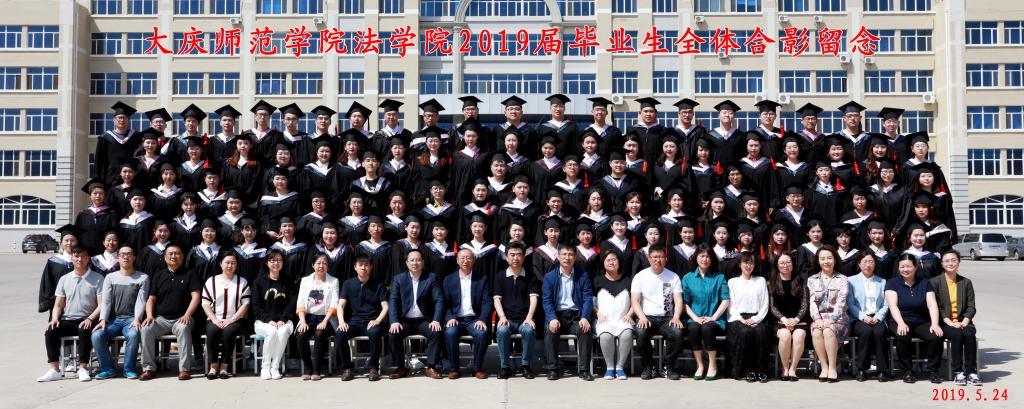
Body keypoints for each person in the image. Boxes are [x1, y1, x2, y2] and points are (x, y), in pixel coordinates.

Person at [38, 246, 102, 383]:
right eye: (76, 256)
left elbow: (101, 305)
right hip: (68, 319)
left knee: (84, 330)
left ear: (88, 259)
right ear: (72, 258)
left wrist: (90, 318)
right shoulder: (64, 279)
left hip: (88, 319)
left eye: (83, 256)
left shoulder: (98, 278)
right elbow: (58, 305)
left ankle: (83, 368)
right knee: (51, 330)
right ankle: (55, 370)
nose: (80, 259)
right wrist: (54, 318)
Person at [139, 244, 201, 381]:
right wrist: (149, 315)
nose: (174, 256)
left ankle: (184, 369)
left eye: (177, 253)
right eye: (170, 253)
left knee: (183, 328)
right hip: (161, 319)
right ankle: (148, 368)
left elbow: (196, 296)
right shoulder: (159, 275)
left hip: (182, 318)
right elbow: (151, 299)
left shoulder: (190, 273)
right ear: (165, 257)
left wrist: (187, 314)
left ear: (182, 257)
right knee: (146, 328)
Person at [90, 245, 149, 380]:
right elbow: (106, 301)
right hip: (114, 320)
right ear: (118, 258)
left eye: (129, 254)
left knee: (133, 335)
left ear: (134, 257)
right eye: (122, 254)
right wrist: (103, 319)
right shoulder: (110, 277)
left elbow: (141, 301)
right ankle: (108, 369)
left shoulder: (143, 278)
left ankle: (129, 369)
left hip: (132, 319)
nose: (125, 257)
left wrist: (137, 318)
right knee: (97, 335)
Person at [885, 254, 944, 384]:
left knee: (936, 335)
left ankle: (933, 370)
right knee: (903, 335)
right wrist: (901, 323)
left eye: (908, 266)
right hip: (899, 320)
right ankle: (907, 371)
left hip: (920, 320)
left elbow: (932, 304)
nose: (905, 269)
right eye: (902, 267)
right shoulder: (892, 283)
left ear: (915, 267)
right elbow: (893, 305)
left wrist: (935, 324)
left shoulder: (925, 282)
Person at [387, 249, 445, 379]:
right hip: (405, 320)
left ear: (423, 262)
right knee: (393, 334)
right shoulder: (399, 279)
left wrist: (436, 320)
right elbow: (394, 301)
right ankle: (400, 367)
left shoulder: (431, 277)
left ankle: (431, 367)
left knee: (436, 332)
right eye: (412, 260)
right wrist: (394, 321)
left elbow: (439, 300)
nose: (415, 263)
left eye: (418, 260)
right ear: (407, 263)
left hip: (424, 319)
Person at [540, 244, 594, 381]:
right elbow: (547, 301)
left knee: (585, 330)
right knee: (551, 330)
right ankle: (552, 368)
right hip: (558, 316)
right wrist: (552, 318)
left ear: (575, 258)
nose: (567, 258)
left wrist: (585, 317)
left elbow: (588, 298)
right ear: (558, 257)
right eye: (564, 254)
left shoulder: (583, 276)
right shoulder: (550, 277)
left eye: (570, 255)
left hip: (576, 316)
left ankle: (584, 369)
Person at [440, 249, 492, 379]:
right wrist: (449, 317)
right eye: (462, 258)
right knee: (450, 332)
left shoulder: (482, 279)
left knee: (481, 333)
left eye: (468, 258)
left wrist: (482, 319)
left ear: (473, 260)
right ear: (457, 261)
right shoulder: (448, 279)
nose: (465, 261)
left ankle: (477, 368)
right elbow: (444, 303)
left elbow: (487, 302)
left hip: (474, 319)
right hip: (456, 319)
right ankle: (454, 368)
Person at [336, 254, 390, 381]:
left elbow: (385, 306)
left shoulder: (379, 284)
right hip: (354, 322)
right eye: (360, 265)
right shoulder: (348, 284)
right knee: (340, 333)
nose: (363, 267)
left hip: (372, 321)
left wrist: (377, 320)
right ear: (355, 267)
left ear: (371, 267)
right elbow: (340, 305)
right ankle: (347, 368)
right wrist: (342, 322)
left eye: (366, 265)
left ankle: (373, 368)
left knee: (375, 332)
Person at [931, 250, 980, 386]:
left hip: (964, 321)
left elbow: (971, 306)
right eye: (947, 261)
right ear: (941, 263)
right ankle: (958, 372)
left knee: (969, 334)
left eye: (954, 260)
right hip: (945, 322)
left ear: (958, 262)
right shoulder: (935, 282)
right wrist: (950, 323)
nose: (950, 263)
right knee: (956, 335)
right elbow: (937, 306)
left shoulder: (966, 282)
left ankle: (971, 372)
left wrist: (964, 321)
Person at [200, 250, 251, 380]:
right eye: (227, 262)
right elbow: (205, 303)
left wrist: (232, 319)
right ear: (220, 264)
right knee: (212, 332)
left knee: (229, 333)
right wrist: (214, 319)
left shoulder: (242, 282)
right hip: (214, 319)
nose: (230, 265)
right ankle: (213, 366)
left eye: (233, 263)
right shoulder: (211, 281)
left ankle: (224, 366)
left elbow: (245, 304)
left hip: (236, 320)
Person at [493, 242, 540, 379]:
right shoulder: (500, 276)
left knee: (529, 331)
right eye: (512, 255)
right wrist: (502, 317)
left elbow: (534, 298)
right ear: (506, 257)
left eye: (519, 255)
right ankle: (505, 367)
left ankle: (526, 366)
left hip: (524, 319)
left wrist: (529, 317)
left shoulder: (531, 276)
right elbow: (497, 299)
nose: (515, 258)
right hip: (507, 319)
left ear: (524, 257)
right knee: (502, 331)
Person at [682, 246, 730, 381]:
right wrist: (695, 318)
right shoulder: (688, 278)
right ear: (696, 258)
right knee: (693, 328)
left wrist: (713, 317)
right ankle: (700, 365)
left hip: (715, 319)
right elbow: (684, 303)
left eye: (707, 256)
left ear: (712, 259)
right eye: (701, 256)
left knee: (707, 328)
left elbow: (725, 299)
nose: (704, 259)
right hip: (694, 318)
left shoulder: (719, 277)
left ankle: (713, 365)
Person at [807, 246, 850, 383]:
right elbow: (812, 302)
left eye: (829, 258)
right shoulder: (812, 279)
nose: (826, 261)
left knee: (828, 330)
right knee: (816, 331)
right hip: (819, 319)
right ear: (818, 261)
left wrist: (832, 319)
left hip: (839, 319)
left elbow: (841, 302)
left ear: (835, 260)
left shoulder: (842, 279)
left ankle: (832, 367)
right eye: (823, 259)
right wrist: (817, 319)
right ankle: (824, 366)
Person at [848, 252, 892, 382]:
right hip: (858, 317)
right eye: (865, 262)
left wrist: (878, 317)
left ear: (875, 264)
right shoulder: (851, 281)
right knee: (865, 331)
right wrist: (863, 317)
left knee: (880, 332)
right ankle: (861, 369)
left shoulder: (882, 281)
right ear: (859, 264)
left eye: (871, 262)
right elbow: (850, 303)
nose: (868, 265)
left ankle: (882, 369)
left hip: (877, 317)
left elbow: (886, 304)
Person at [251, 249, 294, 380]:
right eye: (273, 260)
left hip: (284, 321)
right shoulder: (258, 282)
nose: (276, 263)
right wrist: (268, 320)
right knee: (272, 332)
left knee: (282, 332)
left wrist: (283, 319)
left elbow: (292, 303)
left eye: (279, 260)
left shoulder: (288, 281)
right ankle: (265, 367)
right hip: (263, 322)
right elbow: (256, 306)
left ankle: (275, 367)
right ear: (267, 262)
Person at [294, 253, 339, 381]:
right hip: (308, 318)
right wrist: (303, 322)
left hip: (327, 318)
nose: (321, 266)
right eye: (318, 263)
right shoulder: (305, 280)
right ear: (313, 265)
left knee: (319, 334)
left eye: (324, 263)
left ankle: (316, 370)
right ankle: (308, 369)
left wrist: (325, 321)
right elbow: (300, 303)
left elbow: (334, 304)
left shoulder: (334, 281)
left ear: (328, 266)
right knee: (301, 335)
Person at [727, 253, 770, 383]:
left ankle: (761, 370)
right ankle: (747, 370)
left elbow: (765, 303)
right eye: (746, 262)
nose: (749, 266)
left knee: (760, 331)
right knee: (744, 332)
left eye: (751, 263)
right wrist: (742, 320)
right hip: (738, 318)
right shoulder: (733, 282)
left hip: (757, 317)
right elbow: (731, 305)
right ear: (739, 264)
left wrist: (756, 319)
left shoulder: (761, 281)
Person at [593, 249, 635, 380]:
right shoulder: (597, 281)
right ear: (603, 263)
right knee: (605, 336)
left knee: (627, 334)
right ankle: (610, 367)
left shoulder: (628, 280)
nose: (612, 262)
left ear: (619, 262)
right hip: (604, 319)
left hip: (623, 318)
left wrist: (629, 314)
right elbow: (590, 303)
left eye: (614, 259)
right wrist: (597, 313)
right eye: (608, 260)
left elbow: (635, 301)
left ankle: (620, 367)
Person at [769, 253, 808, 381]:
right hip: (779, 322)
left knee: (799, 335)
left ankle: (793, 369)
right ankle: (784, 368)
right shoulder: (772, 283)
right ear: (777, 265)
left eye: (788, 262)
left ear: (793, 264)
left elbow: (804, 304)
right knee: (785, 335)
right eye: (782, 263)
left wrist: (796, 319)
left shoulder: (801, 282)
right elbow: (772, 307)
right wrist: (785, 320)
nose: (785, 265)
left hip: (798, 321)